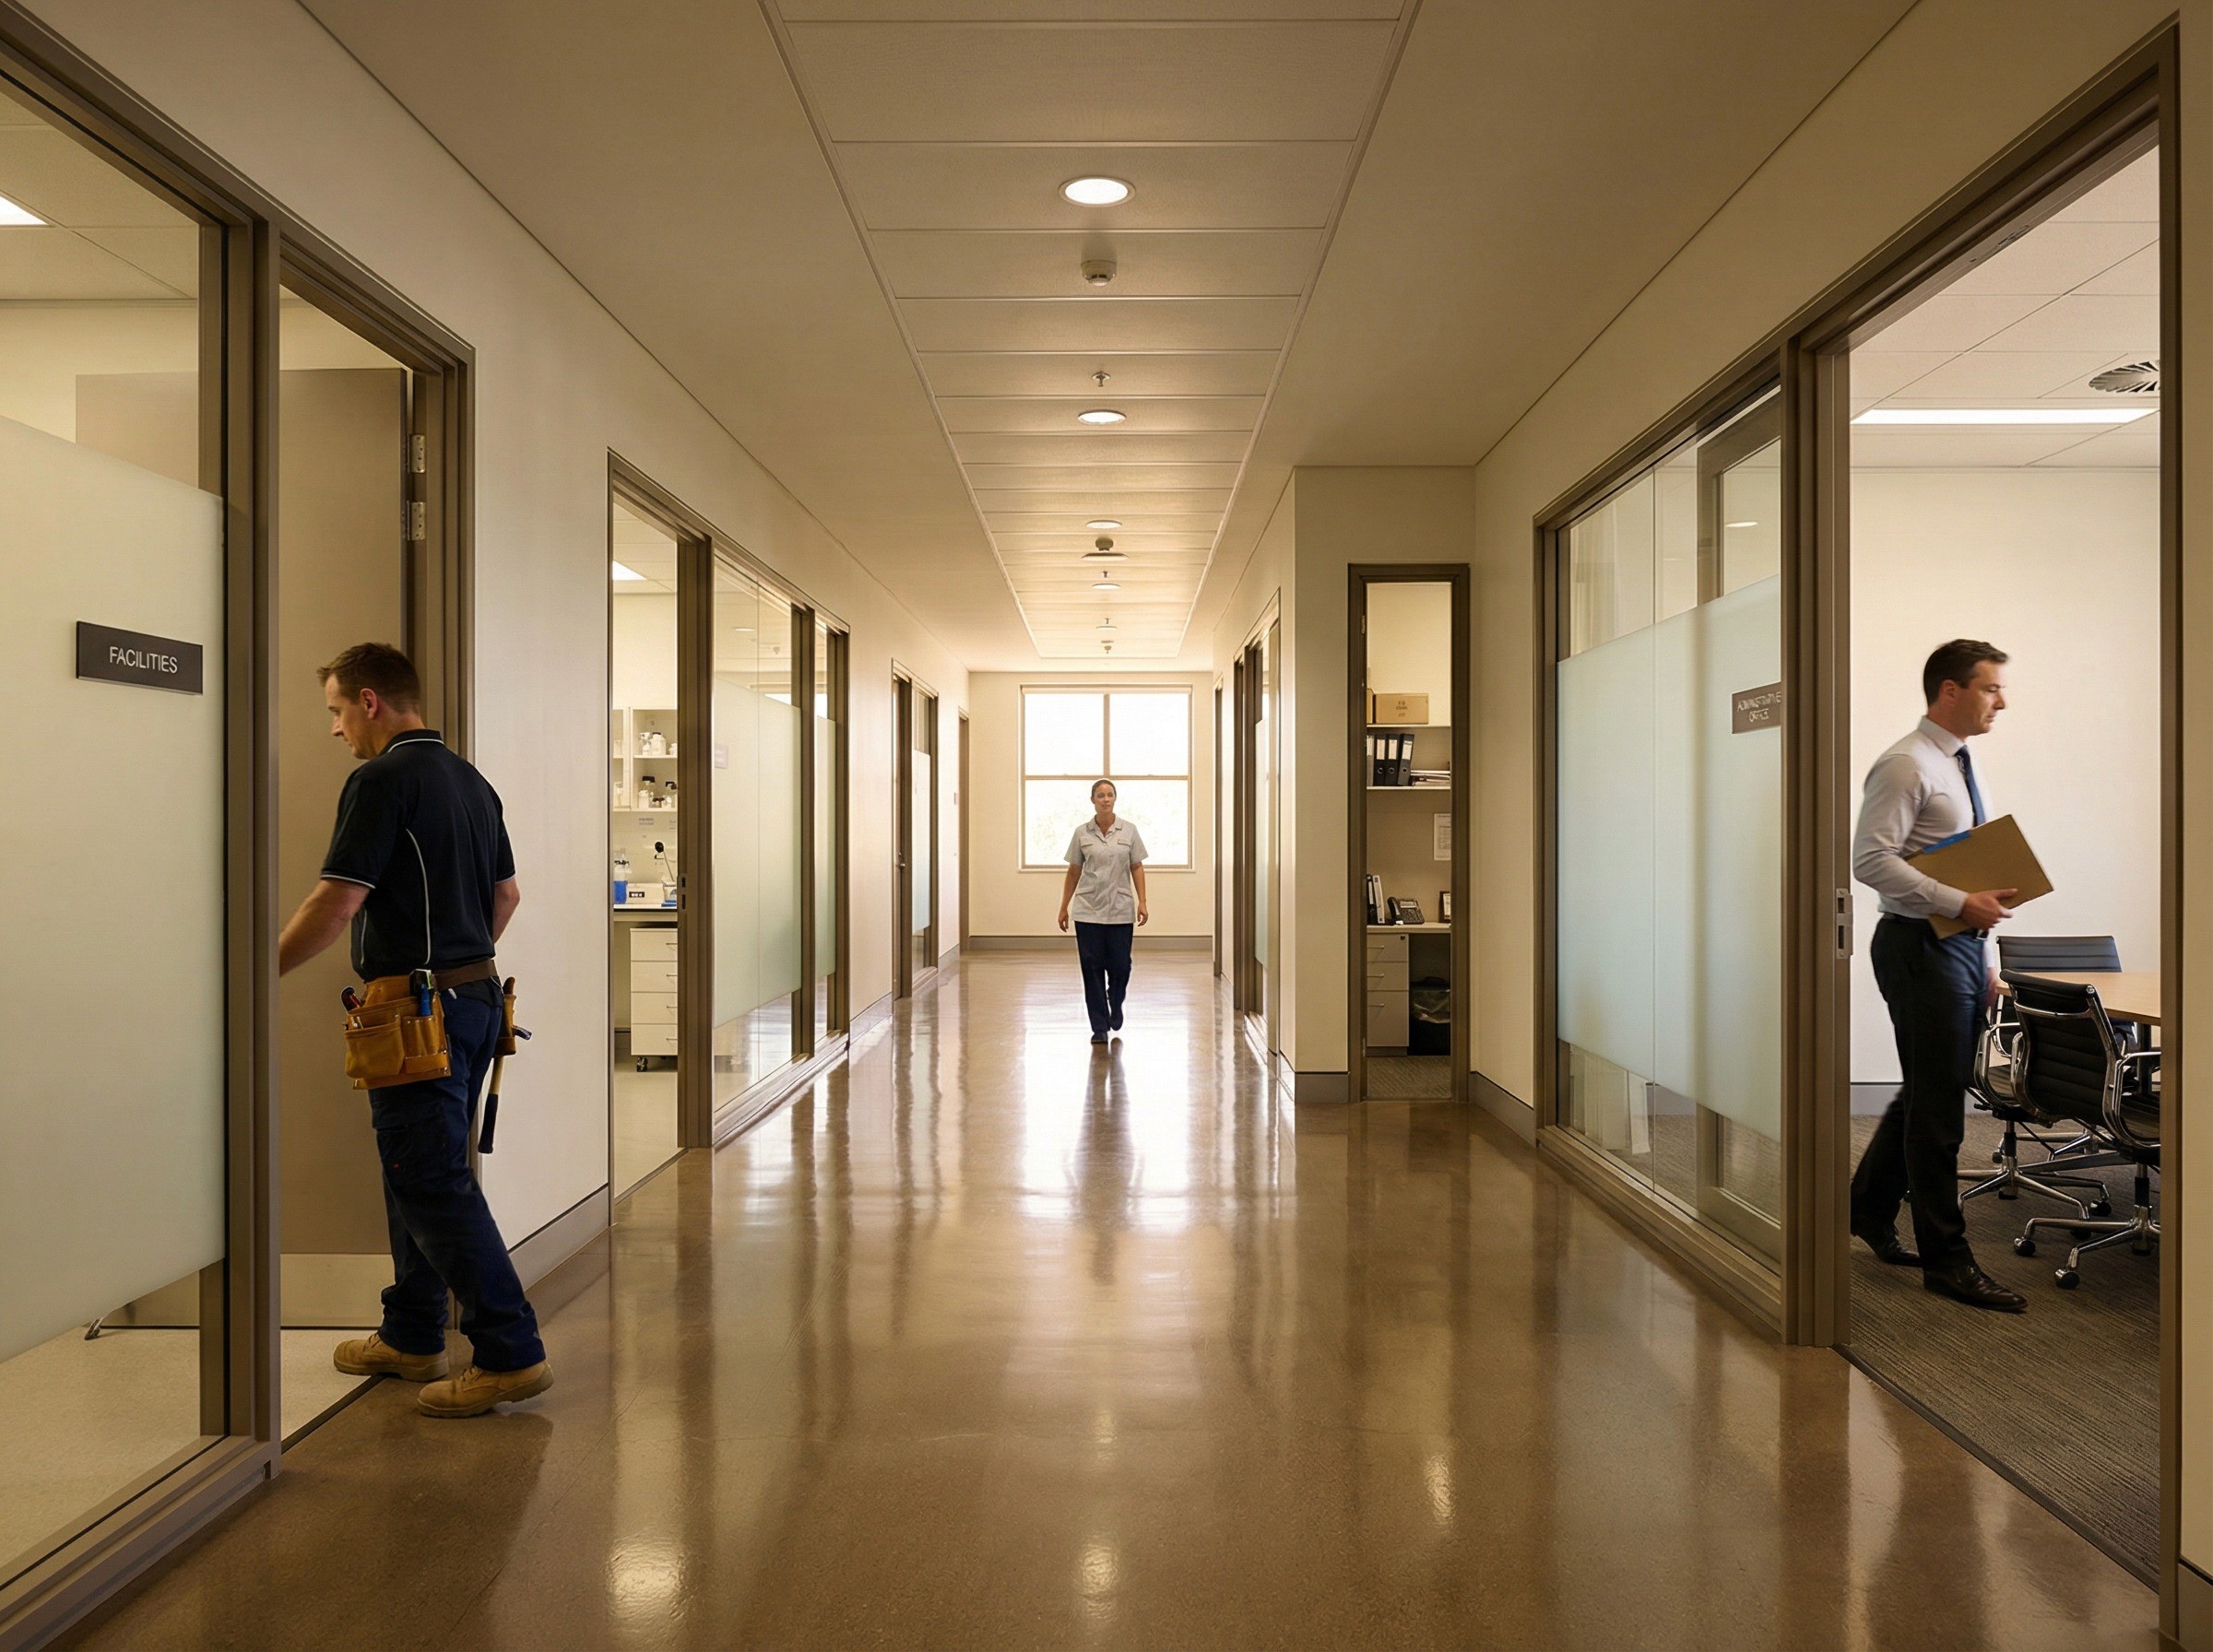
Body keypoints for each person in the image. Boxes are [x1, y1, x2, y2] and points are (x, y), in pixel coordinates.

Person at [277, 643, 553, 1413]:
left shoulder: (381, 779)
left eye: (336, 710)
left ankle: (510, 1352)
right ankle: (412, 1333)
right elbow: (507, 897)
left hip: (413, 1013)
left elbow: (336, 904)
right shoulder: (472, 781)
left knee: (429, 1180)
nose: (335, 730)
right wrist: (459, 964)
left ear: (369, 702)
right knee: (419, 1173)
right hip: (472, 1004)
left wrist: (253, 975)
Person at [1849, 639, 2024, 1313]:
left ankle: (1866, 1208)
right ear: (1949, 691)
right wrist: (1958, 905)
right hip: (1917, 943)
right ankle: (1948, 1261)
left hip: (1950, 945)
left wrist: (1977, 954)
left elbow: (1959, 871)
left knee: (1928, 1088)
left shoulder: (1953, 763)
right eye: (1990, 689)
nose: (2000, 702)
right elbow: (1870, 860)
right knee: (1940, 1106)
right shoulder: (1906, 764)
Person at [1057, 779, 1150, 1045]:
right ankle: (1099, 1026)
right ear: (1093, 800)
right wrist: (1064, 906)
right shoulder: (1082, 833)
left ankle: (1116, 1000)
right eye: (1100, 795)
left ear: (1115, 799)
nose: (1105, 799)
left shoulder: (1129, 831)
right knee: (1091, 968)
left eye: (1109, 795)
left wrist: (1142, 901)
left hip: (1120, 910)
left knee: (1121, 965)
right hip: (1088, 911)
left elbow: (1137, 867)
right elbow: (1074, 870)